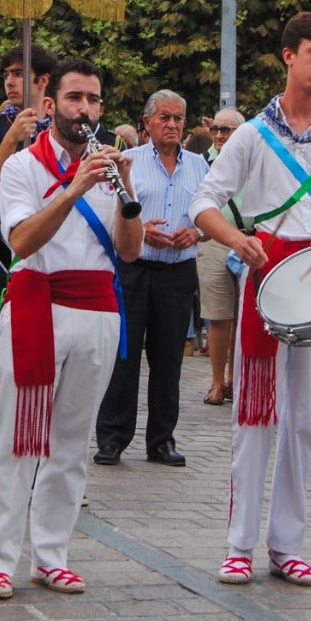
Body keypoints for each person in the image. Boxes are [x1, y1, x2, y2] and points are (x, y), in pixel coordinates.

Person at [190, 12, 311, 588]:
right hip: (268, 277)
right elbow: (205, 201)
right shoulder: (252, 134)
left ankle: (288, 545)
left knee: (303, 420)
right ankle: (238, 546)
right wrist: (235, 238)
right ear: (288, 56)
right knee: (253, 417)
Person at [0, 57, 142, 600]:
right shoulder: (23, 167)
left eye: (94, 100)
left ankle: (52, 555)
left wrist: (128, 192)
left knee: (71, 445)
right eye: (75, 99)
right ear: (51, 106)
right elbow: (21, 241)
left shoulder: (109, 166)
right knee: (18, 442)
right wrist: (74, 188)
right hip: (36, 306)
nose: (86, 110)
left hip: (97, 310)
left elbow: (129, 251)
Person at [94, 90, 207, 467]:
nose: (172, 124)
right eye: (164, 118)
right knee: (124, 356)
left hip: (178, 272)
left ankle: (161, 439)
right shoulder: (128, 162)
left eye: (178, 118)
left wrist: (198, 232)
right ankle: (112, 438)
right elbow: (113, 213)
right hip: (135, 268)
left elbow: (210, 211)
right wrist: (141, 229)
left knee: (169, 359)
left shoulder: (198, 165)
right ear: (147, 124)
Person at [0, 45, 57, 413]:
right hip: (6, 245)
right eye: (6, 73)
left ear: (43, 80)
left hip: (52, 245)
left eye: (19, 73)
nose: (9, 81)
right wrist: (12, 138)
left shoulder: (63, 130)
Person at [197, 108, 246, 406]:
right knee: (218, 316)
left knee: (244, 318)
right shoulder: (203, 164)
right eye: (215, 129)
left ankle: (236, 381)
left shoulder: (253, 161)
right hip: (214, 241)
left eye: (226, 130)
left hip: (249, 241)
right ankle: (216, 382)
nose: (219, 135)